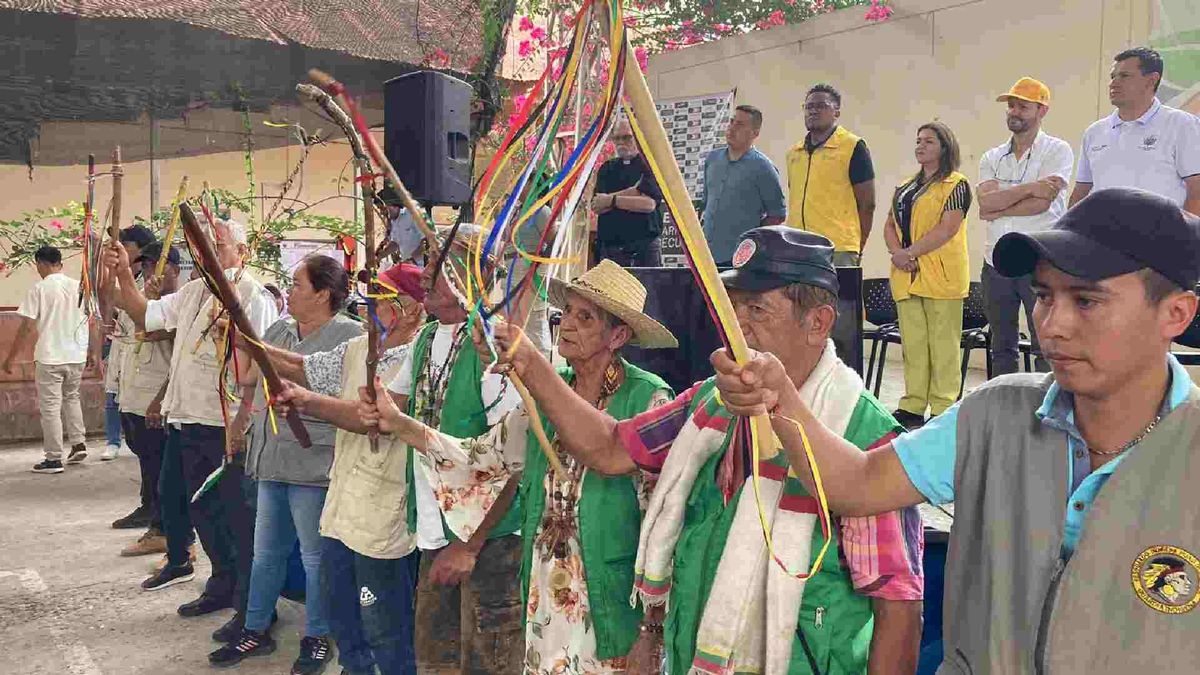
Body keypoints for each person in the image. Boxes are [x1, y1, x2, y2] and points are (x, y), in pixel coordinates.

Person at [712, 187, 1200, 672]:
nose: (1052, 325)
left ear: (1175, 314)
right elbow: (858, 484)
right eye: (1044, 296)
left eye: (1087, 301)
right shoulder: (997, 413)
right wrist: (778, 396)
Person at [484, 227, 924, 675]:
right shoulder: (711, 403)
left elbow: (897, 609)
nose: (737, 327)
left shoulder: (865, 440)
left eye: (756, 309)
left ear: (818, 323)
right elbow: (611, 446)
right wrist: (529, 361)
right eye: (732, 308)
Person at [361, 260, 677, 673]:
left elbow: (664, 526)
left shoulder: (648, 400)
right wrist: (399, 423)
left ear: (618, 336)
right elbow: (483, 457)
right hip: (544, 589)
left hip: (611, 596)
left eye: (586, 318)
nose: (567, 326)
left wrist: (651, 633)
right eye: (567, 314)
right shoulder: (551, 389)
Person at [242, 262, 427, 675]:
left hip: (385, 510)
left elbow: (372, 417)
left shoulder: (415, 355)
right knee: (343, 612)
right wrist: (250, 341)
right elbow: (305, 366)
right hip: (342, 503)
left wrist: (305, 400)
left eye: (384, 299)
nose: (371, 305)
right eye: (372, 296)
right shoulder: (362, 347)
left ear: (412, 309)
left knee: (384, 623)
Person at [102, 219, 278, 627]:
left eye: (218, 244)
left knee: (234, 515)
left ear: (242, 251)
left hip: (223, 422)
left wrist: (241, 420)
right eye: (204, 245)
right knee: (196, 508)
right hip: (184, 418)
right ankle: (221, 583)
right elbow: (145, 313)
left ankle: (251, 608)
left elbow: (262, 363)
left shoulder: (251, 295)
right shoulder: (194, 292)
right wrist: (125, 274)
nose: (209, 252)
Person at [207, 255, 363, 672]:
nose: (289, 291)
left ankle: (316, 637)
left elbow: (343, 396)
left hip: (313, 462)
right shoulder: (279, 329)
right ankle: (253, 628)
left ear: (323, 294)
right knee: (265, 553)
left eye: (296, 284)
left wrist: (249, 343)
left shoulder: (350, 336)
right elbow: (251, 379)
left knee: (314, 557)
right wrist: (241, 419)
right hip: (271, 458)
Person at [383, 225, 527, 674]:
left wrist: (468, 545)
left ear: (475, 277)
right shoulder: (427, 338)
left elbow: (513, 461)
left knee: (488, 664)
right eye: (427, 261)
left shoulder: (495, 346)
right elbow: (389, 409)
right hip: (436, 533)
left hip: (486, 542)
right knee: (436, 660)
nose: (424, 274)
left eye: (438, 264)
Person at [977, 77, 1075, 376]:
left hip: (1039, 262)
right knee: (1001, 345)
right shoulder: (992, 156)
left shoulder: (1057, 150)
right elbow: (985, 206)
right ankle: (1005, 409)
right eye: (1011, 106)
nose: (1014, 112)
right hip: (995, 262)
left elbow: (1043, 203)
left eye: (1023, 106)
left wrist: (1002, 199)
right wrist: (1029, 188)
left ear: (1041, 111)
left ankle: (1047, 410)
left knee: (1044, 342)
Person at [884, 121, 972, 429]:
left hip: (942, 276)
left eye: (929, 141)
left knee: (943, 346)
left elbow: (947, 229)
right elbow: (889, 226)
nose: (920, 146)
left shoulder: (956, 184)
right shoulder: (905, 187)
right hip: (907, 275)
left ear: (945, 147)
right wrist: (898, 253)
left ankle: (944, 407)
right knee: (914, 345)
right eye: (918, 140)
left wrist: (909, 253)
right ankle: (912, 405)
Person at [1069, 47, 1200, 215]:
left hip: (1162, 237)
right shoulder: (1094, 132)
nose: (1113, 83)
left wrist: (1186, 237)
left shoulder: (1182, 125)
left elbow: (1197, 190)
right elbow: (1081, 191)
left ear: (1152, 80)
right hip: (1100, 236)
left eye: (1124, 76)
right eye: (1113, 77)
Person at [114, 242, 181, 558]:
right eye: (148, 265)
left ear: (175, 271)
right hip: (135, 394)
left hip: (160, 399)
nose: (151, 272)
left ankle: (169, 533)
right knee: (151, 467)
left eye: (159, 266)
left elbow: (150, 331)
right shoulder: (148, 300)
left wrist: (160, 399)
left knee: (164, 475)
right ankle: (158, 525)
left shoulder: (178, 304)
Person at [4, 245, 96, 473]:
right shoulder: (79, 287)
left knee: (51, 408)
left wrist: (10, 358)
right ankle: (78, 443)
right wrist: (93, 352)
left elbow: (26, 327)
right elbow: (91, 321)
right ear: (60, 264)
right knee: (72, 398)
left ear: (41, 264)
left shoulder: (39, 289)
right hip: (76, 355)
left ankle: (53, 458)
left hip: (50, 357)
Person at [785, 84, 876, 267]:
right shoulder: (795, 152)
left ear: (837, 112)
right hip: (797, 247)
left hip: (837, 249)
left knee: (838, 297)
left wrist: (858, 245)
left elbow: (867, 204)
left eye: (821, 106)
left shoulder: (852, 146)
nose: (813, 111)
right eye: (809, 107)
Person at [700, 105, 787, 264]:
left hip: (741, 258)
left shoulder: (763, 168)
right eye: (732, 122)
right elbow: (705, 205)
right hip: (706, 255)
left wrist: (751, 240)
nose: (732, 128)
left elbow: (778, 214)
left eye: (740, 124)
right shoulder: (712, 159)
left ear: (755, 133)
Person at [592, 119, 666, 267]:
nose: (621, 142)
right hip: (612, 250)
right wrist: (635, 192)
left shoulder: (649, 165)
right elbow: (597, 205)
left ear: (637, 137)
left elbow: (648, 204)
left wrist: (612, 201)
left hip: (644, 250)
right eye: (617, 138)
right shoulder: (607, 168)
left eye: (626, 137)